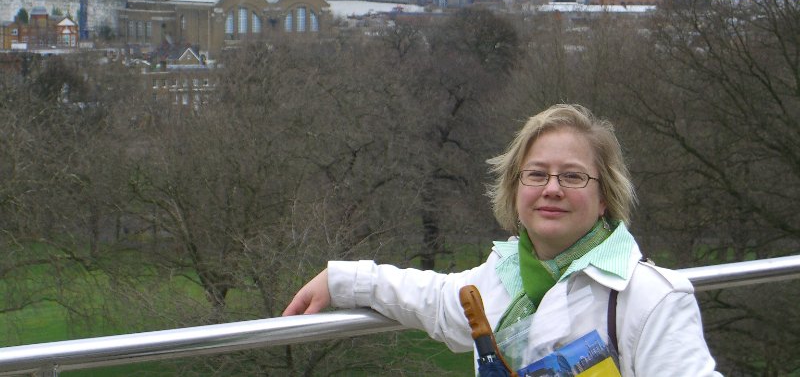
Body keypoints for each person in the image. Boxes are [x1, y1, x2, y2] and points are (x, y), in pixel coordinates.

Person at [284, 104, 722, 376]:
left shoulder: (651, 299)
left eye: (572, 176)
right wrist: (340, 280)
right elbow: (434, 298)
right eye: (536, 174)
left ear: (605, 196)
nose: (552, 188)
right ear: (515, 191)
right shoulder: (502, 277)